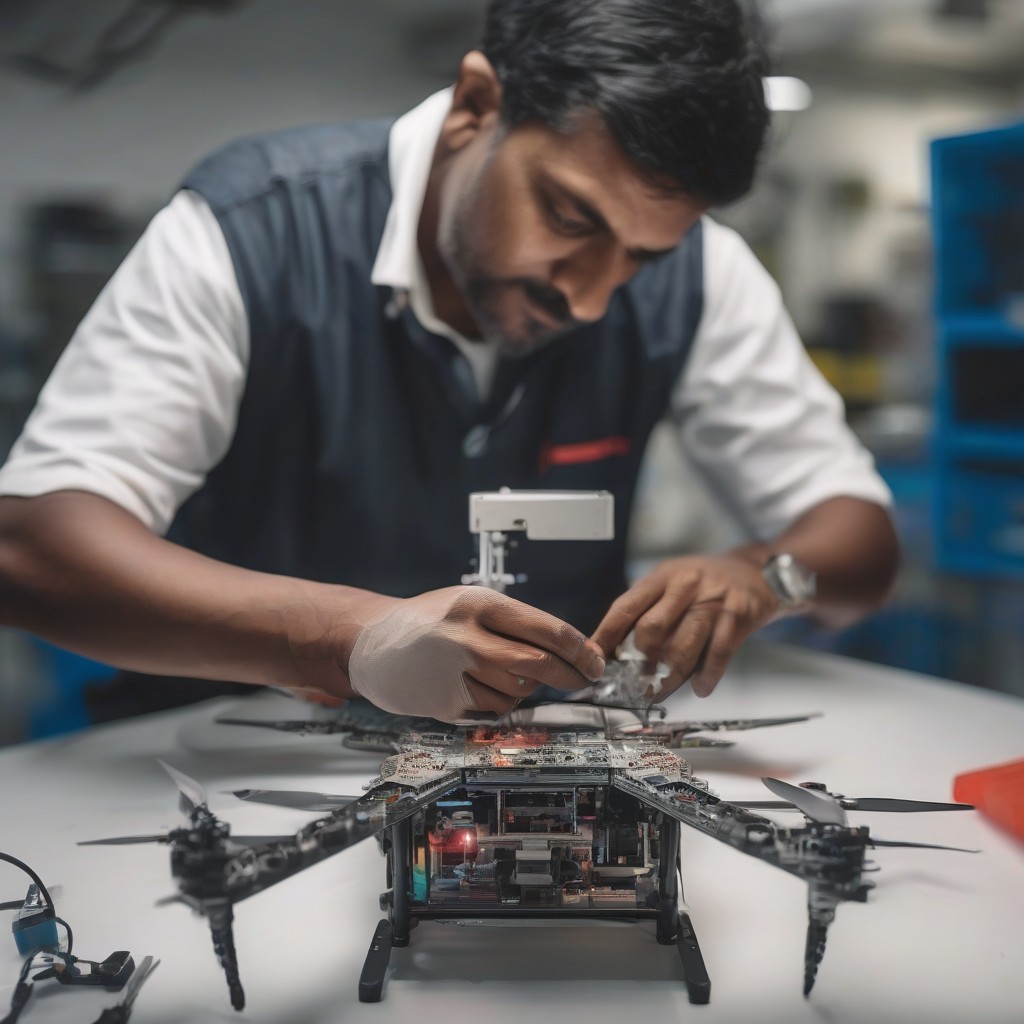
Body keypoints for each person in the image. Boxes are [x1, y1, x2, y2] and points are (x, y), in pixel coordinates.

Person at [0, 0, 898, 725]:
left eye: (640, 257)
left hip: (542, 779)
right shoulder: (251, 233)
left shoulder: (704, 272)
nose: (591, 296)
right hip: (229, 767)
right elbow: (34, 549)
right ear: (477, 104)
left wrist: (765, 573)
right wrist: (350, 637)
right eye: (571, 219)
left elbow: (859, 541)